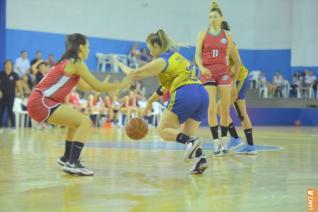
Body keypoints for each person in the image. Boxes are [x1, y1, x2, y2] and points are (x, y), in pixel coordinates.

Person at [27, 33, 132, 176]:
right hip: (42, 102)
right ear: (81, 47)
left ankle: (67, 158)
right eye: (88, 47)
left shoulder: (68, 62)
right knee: (85, 122)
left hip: (39, 101)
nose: (89, 50)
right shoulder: (77, 63)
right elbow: (97, 87)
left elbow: (86, 86)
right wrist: (122, 84)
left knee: (75, 123)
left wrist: (108, 85)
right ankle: (73, 162)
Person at [115, 29, 209, 174]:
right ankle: (200, 159)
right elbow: (165, 86)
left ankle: (191, 143)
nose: (150, 52)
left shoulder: (161, 61)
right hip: (202, 94)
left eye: (150, 48)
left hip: (186, 93)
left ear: (156, 46)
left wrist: (120, 64)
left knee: (163, 130)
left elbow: (134, 74)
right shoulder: (177, 57)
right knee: (185, 134)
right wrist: (150, 102)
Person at [195, 7, 241, 156]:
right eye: (210, 17)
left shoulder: (227, 36)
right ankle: (216, 143)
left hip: (223, 73)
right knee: (211, 109)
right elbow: (197, 56)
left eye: (215, 16)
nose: (212, 19)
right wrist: (201, 67)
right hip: (208, 73)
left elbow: (232, 58)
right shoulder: (202, 34)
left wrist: (234, 77)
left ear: (221, 18)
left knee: (225, 111)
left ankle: (225, 140)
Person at [216, 21, 256, 155]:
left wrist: (232, 84)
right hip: (238, 79)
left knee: (221, 109)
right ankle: (249, 145)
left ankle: (235, 139)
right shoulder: (222, 45)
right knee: (240, 113)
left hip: (238, 80)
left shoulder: (229, 43)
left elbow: (238, 64)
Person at [0, 60, 20, 131]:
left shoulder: (15, 74)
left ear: (12, 65)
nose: (8, 65)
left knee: (10, 110)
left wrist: (19, 92)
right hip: (2, 95)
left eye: (9, 64)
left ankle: (13, 126)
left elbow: (18, 85)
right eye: (6, 64)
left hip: (11, 95)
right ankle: (0, 126)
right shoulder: (1, 74)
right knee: (1, 110)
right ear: (4, 65)